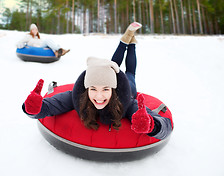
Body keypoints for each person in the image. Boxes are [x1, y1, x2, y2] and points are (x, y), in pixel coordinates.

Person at [22, 22, 172, 139]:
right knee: (113, 65)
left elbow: (166, 126)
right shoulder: (76, 96)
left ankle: (131, 43)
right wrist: (33, 109)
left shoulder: (127, 102)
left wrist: (152, 126)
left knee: (130, 71)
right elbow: (50, 106)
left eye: (105, 90)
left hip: (128, 84)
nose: (99, 96)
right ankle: (128, 37)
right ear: (86, 88)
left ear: (112, 90)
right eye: (93, 89)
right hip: (107, 76)